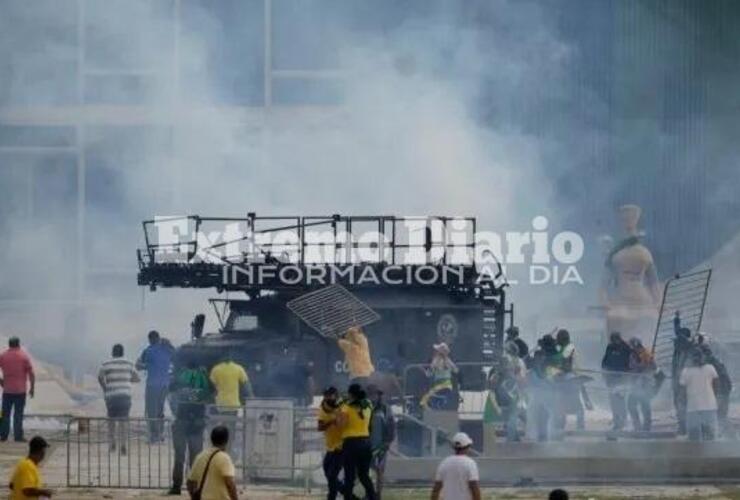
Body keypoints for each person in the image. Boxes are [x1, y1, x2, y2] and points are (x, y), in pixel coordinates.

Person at [168, 360, 211, 496]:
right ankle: (195, 488)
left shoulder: (181, 377)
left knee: (179, 456)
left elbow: (170, 389)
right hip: (197, 423)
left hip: (181, 421)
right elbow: (212, 392)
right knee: (196, 458)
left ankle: (176, 486)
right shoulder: (203, 379)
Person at [98, 344, 140, 454]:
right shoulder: (129, 364)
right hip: (125, 396)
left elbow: (100, 376)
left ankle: (112, 444)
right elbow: (137, 378)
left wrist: (105, 388)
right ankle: (123, 445)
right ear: (123, 352)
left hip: (111, 396)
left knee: (111, 421)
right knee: (123, 421)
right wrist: (126, 381)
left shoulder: (106, 364)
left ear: (113, 352)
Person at [338, 383, 376, 500]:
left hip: (351, 444)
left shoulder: (346, 407)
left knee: (349, 477)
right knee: (364, 475)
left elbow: (341, 425)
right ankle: (373, 498)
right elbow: (370, 425)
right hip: (365, 442)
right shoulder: (369, 404)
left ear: (350, 394)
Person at [136, 330, 173, 443]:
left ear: (150, 339)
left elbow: (138, 366)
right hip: (165, 385)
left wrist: (144, 365)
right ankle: (161, 434)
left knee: (151, 411)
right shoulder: (167, 350)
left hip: (153, 385)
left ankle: (154, 436)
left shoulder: (148, 351)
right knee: (160, 410)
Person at [187, 426, 238, 500]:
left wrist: (194, 497)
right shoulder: (224, 457)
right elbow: (230, 483)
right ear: (226, 441)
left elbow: (190, 483)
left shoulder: (200, 456)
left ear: (211, 439)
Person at [0, 337, 35, 442]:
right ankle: (18, 437)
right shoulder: (24, 356)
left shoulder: (3, 356)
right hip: (20, 391)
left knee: (5, 414)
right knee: (18, 414)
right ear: (18, 344)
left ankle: (3, 436)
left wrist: (1, 381)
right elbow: (31, 374)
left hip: (7, 391)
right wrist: (32, 388)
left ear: (9, 344)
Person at [680, 349, 719, 441]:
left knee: (695, 438)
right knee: (710, 437)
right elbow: (716, 384)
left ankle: (697, 453)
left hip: (693, 407)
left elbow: (682, 391)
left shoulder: (686, 371)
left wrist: (682, 403)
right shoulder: (710, 368)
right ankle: (711, 454)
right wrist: (715, 397)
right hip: (708, 406)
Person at [431, 432, 481, 500]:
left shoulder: (444, 463)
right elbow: (474, 487)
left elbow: (436, 489)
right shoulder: (470, 463)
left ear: (453, 447)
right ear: (468, 446)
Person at [367, 384, 396, 500]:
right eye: (371, 395)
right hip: (366, 445)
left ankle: (378, 494)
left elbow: (391, 426)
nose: (373, 397)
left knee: (379, 471)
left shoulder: (385, 408)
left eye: (375, 395)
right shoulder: (363, 408)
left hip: (381, 445)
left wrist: (388, 442)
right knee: (365, 471)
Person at [601, 332, 632, 431]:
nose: (614, 342)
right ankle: (616, 420)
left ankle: (623, 420)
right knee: (613, 401)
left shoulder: (626, 348)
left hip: (622, 379)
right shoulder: (610, 347)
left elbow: (630, 363)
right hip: (611, 379)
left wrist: (627, 375)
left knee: (620, 400)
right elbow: (605, 361)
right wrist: (605, 372)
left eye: (615, 340)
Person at [699, 343, 733, 435]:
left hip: (719, 393)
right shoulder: (717, 361)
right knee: (721, 417)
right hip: (724, 392)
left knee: (718, 417)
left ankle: (725, 438)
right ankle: (730, 438)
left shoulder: (708, 363)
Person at [317, 386, 343, 500]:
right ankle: (346, 492)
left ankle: (331, 496)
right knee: (327, 471)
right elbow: (320, 427)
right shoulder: (323, 407)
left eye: (330, 394)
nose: (328, 397)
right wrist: (331, 422)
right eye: (326, 395)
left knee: (332, 475)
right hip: (330, 446)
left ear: (336, 395)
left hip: (342, 446)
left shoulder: (343, 406)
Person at [627, 337, 655, 432]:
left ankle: (646, 427)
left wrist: (642, 372)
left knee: (645, 405)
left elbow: (652, 367)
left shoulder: (646, 354)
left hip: (645, 385)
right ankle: (637, 426)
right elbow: (631, 368)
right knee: (631, 405)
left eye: (631, 346)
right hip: (635, 385)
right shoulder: (632, 355)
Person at [672, 312, 693, 434]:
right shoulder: (679, 349)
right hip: (677, 381)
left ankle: (685, 426)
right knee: (678, 404)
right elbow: (677, 331)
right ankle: (682, 425)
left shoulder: (690, 349)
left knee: (683, 405)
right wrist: (676, 319)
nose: (676, 342)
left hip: (685, 384)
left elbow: (679, 334)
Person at [420, 343, 459, 409]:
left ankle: (434, 416)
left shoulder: (435, 361)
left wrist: (422, 369)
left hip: (439, 386)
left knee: (424, 401)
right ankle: (440, 413)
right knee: (440, 402)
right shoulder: (448, 360)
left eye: (436, 350)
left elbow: (428, 374)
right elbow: (456, 370)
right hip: (448, 386)